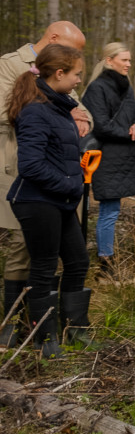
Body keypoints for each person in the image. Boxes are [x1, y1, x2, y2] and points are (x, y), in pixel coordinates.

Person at [0, 21, 92, 348]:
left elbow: (83, 114)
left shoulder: (58, 97)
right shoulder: (15, 73)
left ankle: (69, 328)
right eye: (76, 71)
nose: (79, 77)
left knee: (75, 259)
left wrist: (78, 117)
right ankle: (27, 330)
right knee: (29, 255)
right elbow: (29, 154)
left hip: (60, 190)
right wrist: (69, 182)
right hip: (32, 184)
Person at [81, 42, 135, 276]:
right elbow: (101, 127)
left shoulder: (125, 86)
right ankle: (106, 266)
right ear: (109, 60)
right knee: (110, 210)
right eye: (124, 60)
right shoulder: (96, 89)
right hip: (108, 158)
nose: (129, 64)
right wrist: (132, 132)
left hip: (134, 158)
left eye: (130, 60)